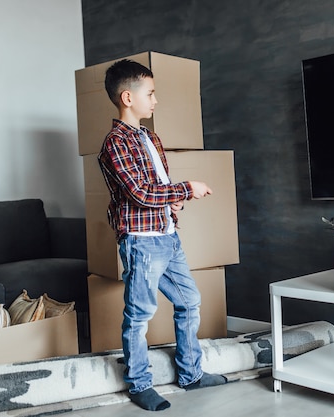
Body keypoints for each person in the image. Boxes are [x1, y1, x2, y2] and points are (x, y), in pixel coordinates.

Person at [98, 59, 227, 412]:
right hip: (141, 240)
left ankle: (191, 374)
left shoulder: (150, 136)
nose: (155, 101)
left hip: (168, 237)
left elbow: (158, 186)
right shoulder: (114, 143)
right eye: (150, 93)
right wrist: (187, 189)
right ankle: (139, 384)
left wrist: (173, 205)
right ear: (127, 97)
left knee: (189, 300)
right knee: (140, 315)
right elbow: (138, 192)